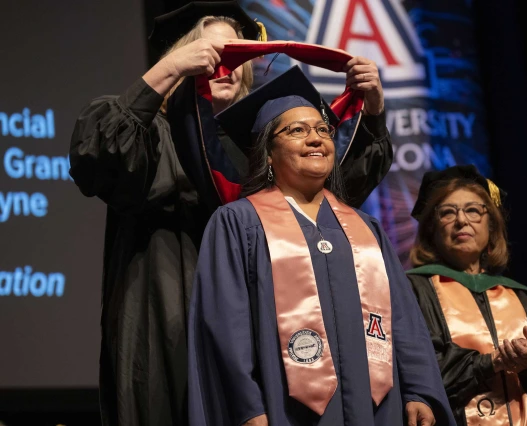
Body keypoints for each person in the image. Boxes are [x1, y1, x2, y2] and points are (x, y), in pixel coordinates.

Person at [68, 1, 393, 425]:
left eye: (237, 55)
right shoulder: (148, 130)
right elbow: (99, 159)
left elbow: (333, 195)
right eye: (212, 52)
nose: (226, 65)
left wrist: (372, 112)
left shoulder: (255, 150)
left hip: (254, 322)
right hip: (167, 312)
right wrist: (169, 70)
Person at [187, 66, 455, 426]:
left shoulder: (365, 228)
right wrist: (247, 407)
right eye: (297, 130)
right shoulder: (239, 224)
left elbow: (402, 318)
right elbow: (225, 326)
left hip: (377, 407)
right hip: (282, 409)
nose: (316, 139)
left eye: (323, 130)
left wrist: (420, 389)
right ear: (267, 153)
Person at [406, 165, 527, 425]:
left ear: (492, 227)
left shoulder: (526, 300)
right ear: (430, 231)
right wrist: (490, 362)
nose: (462, 221)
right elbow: (413, 369)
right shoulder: (411, 292)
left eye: (473, 210)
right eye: (447, 212)